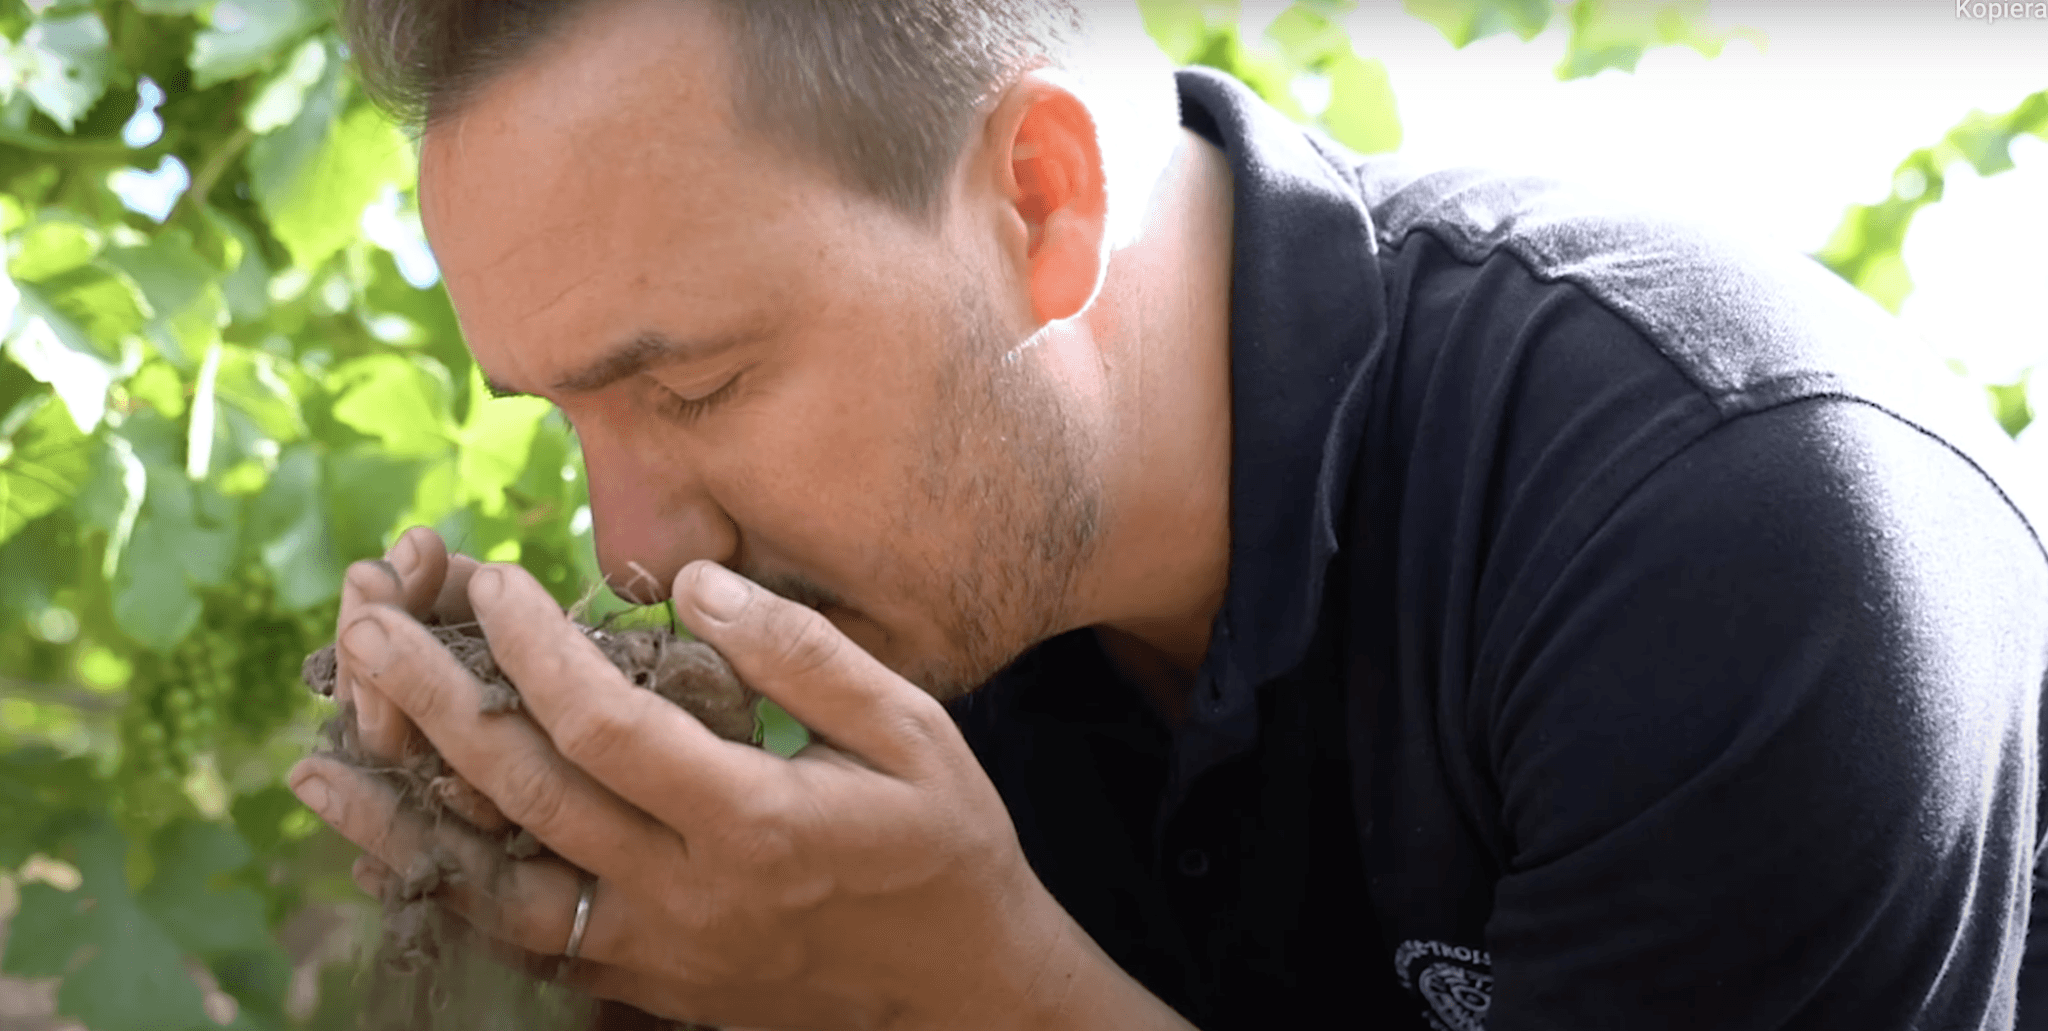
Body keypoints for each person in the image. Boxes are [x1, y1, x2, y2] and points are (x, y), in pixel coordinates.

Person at [284, 1, 2048, 1028]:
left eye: (692, 390)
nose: (635, 541)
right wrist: (584, 896)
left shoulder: (1722, 523)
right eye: (567, 414)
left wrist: (980, 993)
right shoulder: (929, 599)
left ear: (1043, 202)